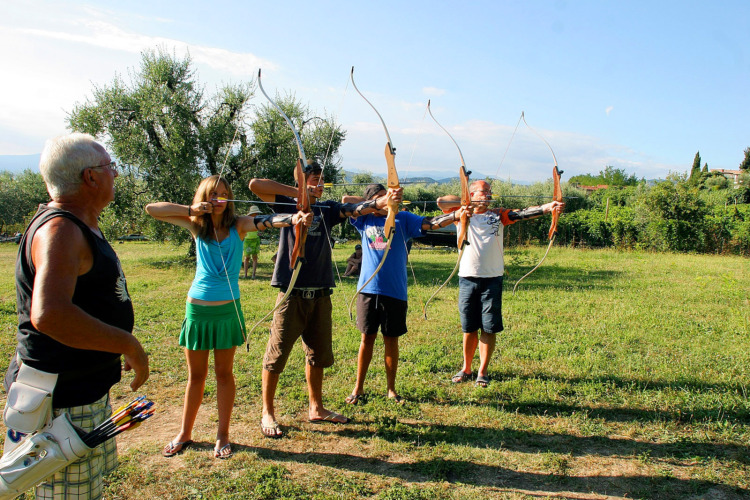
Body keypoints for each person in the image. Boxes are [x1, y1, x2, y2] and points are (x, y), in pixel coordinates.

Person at [3, 132, 149, 499]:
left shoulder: (76, 223)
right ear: (90, 177)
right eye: (110, 167)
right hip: (62, 399)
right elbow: (49, 314)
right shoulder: (60, 230)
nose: (115, 174)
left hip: (80, 390)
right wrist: (127, 344)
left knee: (84, 489)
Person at [146, 176, 310, 459]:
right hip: (197, 310)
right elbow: (152, 209)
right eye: (214, 194)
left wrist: (295, 217)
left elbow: (269, 222)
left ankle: (222, 435)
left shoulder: (239, 225)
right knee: (195, 377)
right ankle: (185, 432)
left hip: (227, 310)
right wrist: (193, 209)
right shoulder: (195, 225)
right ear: (205, 196)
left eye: (225, 194)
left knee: (224, 375)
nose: (220, 199)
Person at [249, 161, 391, 438]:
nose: (320, 183)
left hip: (321, 294)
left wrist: (383, 202)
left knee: (317, 355)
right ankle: (267, 412)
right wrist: (300, 191)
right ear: (304, 180)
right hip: (293, 293)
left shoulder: (326, 208)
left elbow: (356, 209)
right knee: (276, 356)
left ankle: (316, 407)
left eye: (322, 179)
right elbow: (256, 185)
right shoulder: (288, 204)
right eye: (315, 178)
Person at [344, 184, 471, 404]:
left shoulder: (403, 218)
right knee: (367, 338)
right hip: (368, 289)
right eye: (380, 198)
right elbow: (346, 200)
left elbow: (431, 223)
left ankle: (391, 389)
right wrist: (381, 203)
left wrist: (455, 216)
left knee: (391, 340)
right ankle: (358, 388)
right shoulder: (364, 219)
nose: (388, 201)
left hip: (394, 290)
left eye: (388, 196)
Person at [437, 179, 564, 387]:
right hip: (468, 277)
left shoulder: (498, 214)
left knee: (489, 327)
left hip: (492, 279)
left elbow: (523, 213)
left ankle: (482, 371)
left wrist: (548, 207)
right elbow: (440, 201)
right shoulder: (461, 214)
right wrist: (466, 204)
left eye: (489, 191)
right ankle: (466, 368)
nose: (488, 195)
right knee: (469, 328)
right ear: (471, 194)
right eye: (483, 191)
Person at [243, 205, 262, 279]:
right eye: (256, 212)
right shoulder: (246, 220)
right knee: (246, 257)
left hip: (256, 239)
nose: (257, 214)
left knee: (255, 257)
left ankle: (253, 275)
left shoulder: (258, 220)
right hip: (247, 240)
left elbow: (260, 229)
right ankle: (245, 274)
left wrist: (260, 233)